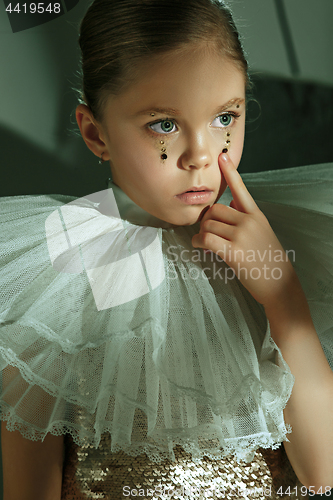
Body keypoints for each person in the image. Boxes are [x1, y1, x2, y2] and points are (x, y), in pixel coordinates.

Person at [1, 0, 333, 498]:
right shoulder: (54, 265)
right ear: (96, 133)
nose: (201, 155)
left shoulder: (273, 250)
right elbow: (31, 487)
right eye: (164, 124)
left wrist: (285, 300)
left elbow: (324, 476)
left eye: (225, 117)